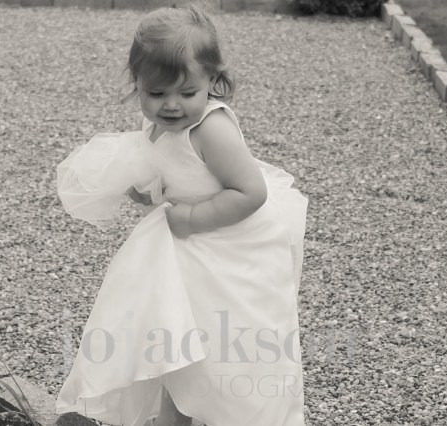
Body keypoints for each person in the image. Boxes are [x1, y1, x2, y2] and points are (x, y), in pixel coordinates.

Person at [55, 5, 308, 426]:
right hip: (183, 250)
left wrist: (191, 217)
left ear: (212, 80)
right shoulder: (157, 124)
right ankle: (174, 415)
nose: (171, 105)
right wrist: (146, 188)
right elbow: (173, 171)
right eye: (156, 94)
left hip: (229, 251)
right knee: (174, 342)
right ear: (137, 83)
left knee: (226, 350)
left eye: (188, 93)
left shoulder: (212, 129)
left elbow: (250, 192)